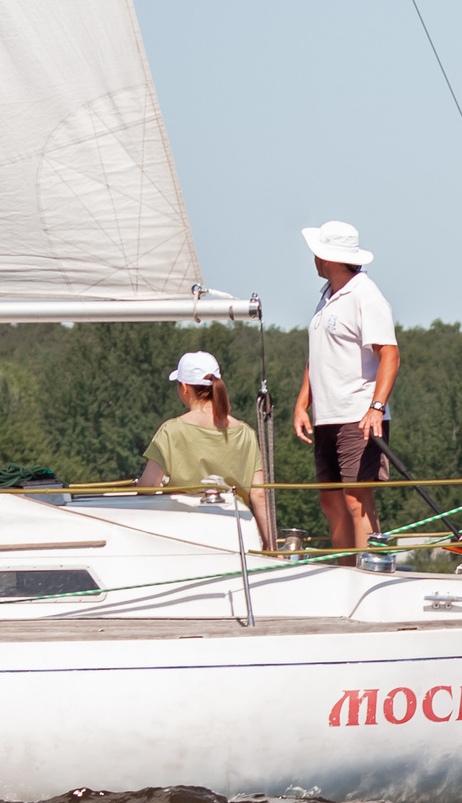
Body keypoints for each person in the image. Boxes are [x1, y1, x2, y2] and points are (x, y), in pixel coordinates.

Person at [292, 221, 400, 559]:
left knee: (357, 500)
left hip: (358, 415)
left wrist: (376, 407)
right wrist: (301, 404)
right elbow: (318, 357)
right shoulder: (327, 297)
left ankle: (367, 575)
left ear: (329, 258)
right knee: (331, 500)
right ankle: (342, 571)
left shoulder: (366, 296)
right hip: (328, 416)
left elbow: (390, 355)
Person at [140, 351, 273, 548]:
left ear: (185, 387)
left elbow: (149, 486)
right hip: (238, 534)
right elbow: (259, 495)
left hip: (185, 534)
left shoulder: (171, 430)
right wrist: (272, 547)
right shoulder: (246, 433)